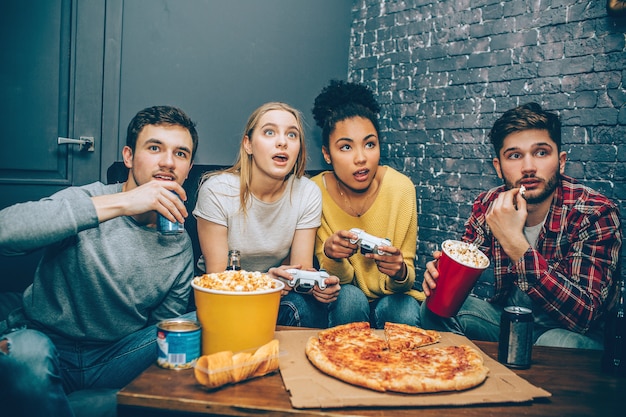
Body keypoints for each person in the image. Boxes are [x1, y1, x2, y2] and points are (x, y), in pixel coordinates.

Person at [0, 105, 199, 417]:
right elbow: (5, 231)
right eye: (155, 147)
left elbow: (159, 329)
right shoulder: (88, 199)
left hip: (115, 357)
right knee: (22, 355)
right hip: (47, 343)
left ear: (188, 169)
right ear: (129, 157)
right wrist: (123, 203)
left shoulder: (179, 245)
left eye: (181, 153)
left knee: (201, 324)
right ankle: (92, 406)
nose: (168, 162)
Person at [420, 102, 622, 349]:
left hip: (570, 334)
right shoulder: (488, 205)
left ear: (560, 161)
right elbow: (464, 260)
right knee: (434, 307)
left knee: (554, 342)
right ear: (498, 166)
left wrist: (514, 242)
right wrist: (441, 277)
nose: (528, 167)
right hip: (510, 321)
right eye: (515, 156)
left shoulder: (594, 212)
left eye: (540, 153)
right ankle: (465, 373)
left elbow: (584, 315)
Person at [193, 102, 340, 328]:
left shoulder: (307, 191)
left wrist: (318, 285)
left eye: (292, 134)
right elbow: (219, 279)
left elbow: (299, 269)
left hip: (278, 295)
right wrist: (264, 282)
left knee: (305, 307)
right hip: (224, 296)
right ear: (248, 144)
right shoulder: (217, 190)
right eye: (269, 132)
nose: (282, 142)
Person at [310, 80, 423, 329]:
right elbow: (336, 281)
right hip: (344, 296)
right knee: (349, 298)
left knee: (403, 308)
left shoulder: (401, 188)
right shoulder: (314, 191)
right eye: (346, 147)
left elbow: (406, 281)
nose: (361, 158)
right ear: (327, 154)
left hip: (392, 298)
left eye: (369, 144)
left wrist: (399, 271)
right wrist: (330, 255)